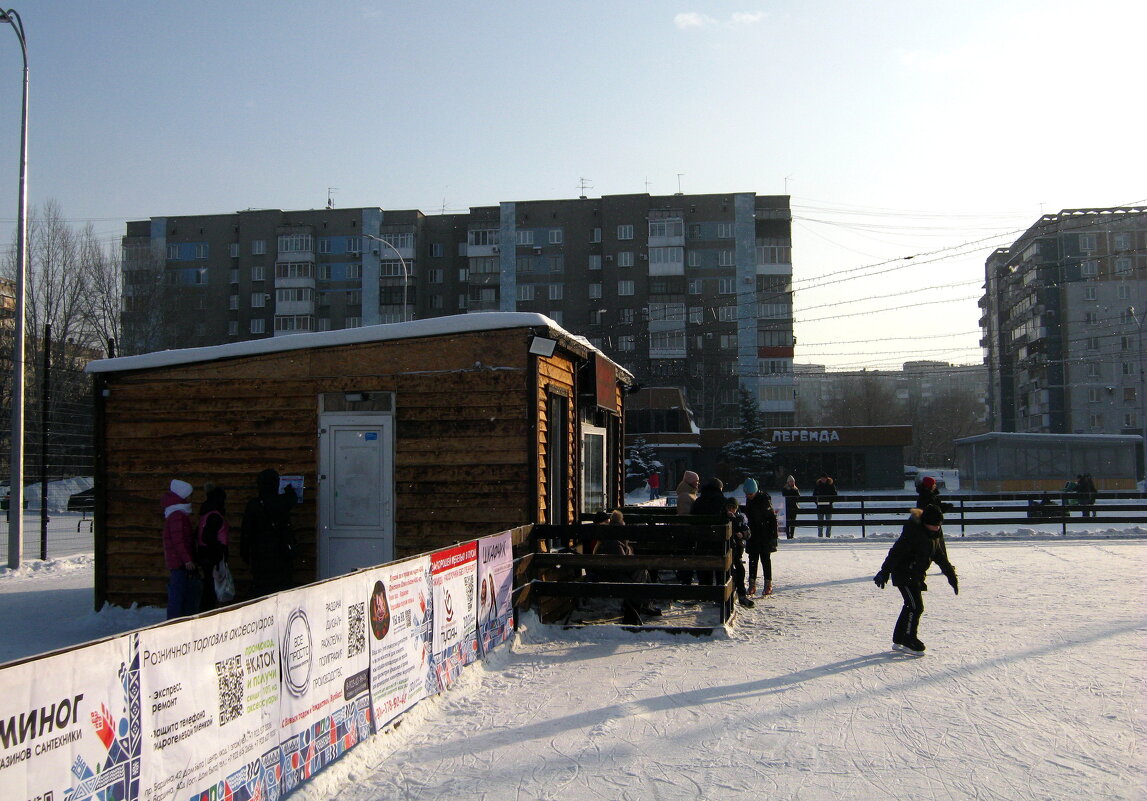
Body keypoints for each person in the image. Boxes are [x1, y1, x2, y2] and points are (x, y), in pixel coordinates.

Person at [873, 505, 958, 654]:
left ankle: (899, 638)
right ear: (926, 522)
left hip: (916, 575)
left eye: (939, 525)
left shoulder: (933, 536)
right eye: (934, 525)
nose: (937, 528)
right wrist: (884, 572)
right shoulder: (913, 534)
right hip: (904, 574)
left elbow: (940, 557)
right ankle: (908, 639)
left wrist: (951, 576)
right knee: (915, 606)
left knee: (910, 605)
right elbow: (895, 553)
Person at [241, 468, 297, 598]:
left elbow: (246, 531)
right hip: (280, 550)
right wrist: (289, 489)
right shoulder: (281, 501)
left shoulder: (253, 504)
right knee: (281, 585)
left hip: (259, 552)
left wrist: (244, 553)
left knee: (262, 586)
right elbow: (292, 499)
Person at [161, 478, 200, 620]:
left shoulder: (177, 514)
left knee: (181, 593)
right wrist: (187, 559)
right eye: (189, 495)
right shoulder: (178, 516)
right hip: (179, 563)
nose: (191, 498)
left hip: (179, 562)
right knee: (178, 595)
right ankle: (174, 623)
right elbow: (178, 540)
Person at [680, 478, 728, 585]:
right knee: (720, 563)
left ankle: (705, 587)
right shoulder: (723, 501)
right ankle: (721, 586)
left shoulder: (699, 501)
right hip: (719, 542)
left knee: (704, 563)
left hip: (702, 542)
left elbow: (693, 520)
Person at [196, 484, 230, 610]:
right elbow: (208, 537)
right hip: (212, 556)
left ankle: (207, 609)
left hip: (206, 554)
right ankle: (207, 611)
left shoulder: (206, 513)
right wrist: (219, 549)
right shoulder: (214, 515)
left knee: (209, 585)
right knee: (211, 587)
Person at [742, 478, 778, 596]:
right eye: (747, 494)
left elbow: (772, 519)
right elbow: (750, 514)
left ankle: (768, 584)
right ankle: (752, 584)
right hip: (753, 535)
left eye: (751, 494)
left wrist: (773, 536)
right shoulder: (749, 500)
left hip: (765, 535)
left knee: (765, 559)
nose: (749, 496)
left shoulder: (764, 500)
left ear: (756, 491)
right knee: (753, 559)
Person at [724, 496, 755, 608]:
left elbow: (748, 532)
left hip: (737, 549)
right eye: (729, 507)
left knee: (740, 570)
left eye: (733, 508)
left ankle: (741, 594)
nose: (731, 510)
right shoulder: (725, 517)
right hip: (728, 549)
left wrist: (742, 534)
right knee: (732, 570)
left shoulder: (740, 519)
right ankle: (730, 593)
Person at [813, 473, 837, 537]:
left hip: (828, 506)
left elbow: (834, 495)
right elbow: (814, 495)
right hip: (820, 506)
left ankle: (828, 535)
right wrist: (817, 502)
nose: (823, 479)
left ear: (827, 478)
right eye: (822, 478)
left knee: (828, 522)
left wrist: (830, 502)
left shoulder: (831, 485)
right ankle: (820, 536)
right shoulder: (818, 485)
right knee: (820, 522)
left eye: (824, 478)